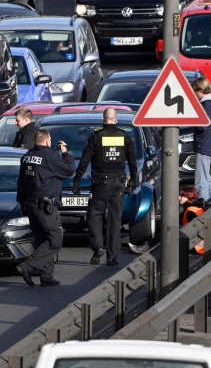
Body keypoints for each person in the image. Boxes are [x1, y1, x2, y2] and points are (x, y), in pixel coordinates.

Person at [72, 107, 138, 268]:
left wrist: (77, 181)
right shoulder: (124, 135)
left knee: (94, 215)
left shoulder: (96, 136)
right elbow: (132, 161)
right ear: (116, 119)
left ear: (103, 119)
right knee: (115, 219)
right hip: (118, 183)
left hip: (101, 183)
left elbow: (85, 160)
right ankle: (112, 257)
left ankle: (97, 247)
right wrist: (133, 181)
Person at [16, 129, 73, 286]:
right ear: (48, 142)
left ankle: (46, 277)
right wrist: (65, 153)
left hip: (29, 204)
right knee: (55, 240)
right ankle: (27, 266)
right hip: (44, 206)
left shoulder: (27, 156)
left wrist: (21, 202)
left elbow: (21, 182)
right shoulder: (49, 156)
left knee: (42, 239)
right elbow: (68, 170)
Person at [191, 76, 211, 206]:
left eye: (194, 91)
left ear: (200, 90)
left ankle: (202, 206)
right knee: (207, 178)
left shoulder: (207, 105)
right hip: (208, 144)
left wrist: (193, 118)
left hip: (204, 144)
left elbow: (203, 125)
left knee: (201, 179)